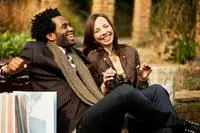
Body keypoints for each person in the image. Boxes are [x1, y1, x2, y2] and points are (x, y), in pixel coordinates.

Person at [0, 8, 199, 133]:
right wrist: (7, 69)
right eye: (64, 27)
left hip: (95, 108)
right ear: (51, 36)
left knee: (157, 91)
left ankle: (169, 128)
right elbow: (7, 70)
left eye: (69, 25)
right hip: (76, 123)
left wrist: (104, 88)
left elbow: (91, 88)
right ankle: (178, 124)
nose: (70, 29)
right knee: (125, 93)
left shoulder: (77, 55)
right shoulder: (37, 50)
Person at [82, 13, 200, 133]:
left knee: (157, 90)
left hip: (134, 109)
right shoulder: (92, 58)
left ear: (112, 27)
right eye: (97, 30)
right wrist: (104, 86)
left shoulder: (130, 52)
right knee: (128, 93)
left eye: (106, 26)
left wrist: (141, 78)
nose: (104, 32)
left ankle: (172, 127)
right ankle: (179, 124)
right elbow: (91, 95)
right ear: (92, 37)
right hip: (114, 111)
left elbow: (137, 92)